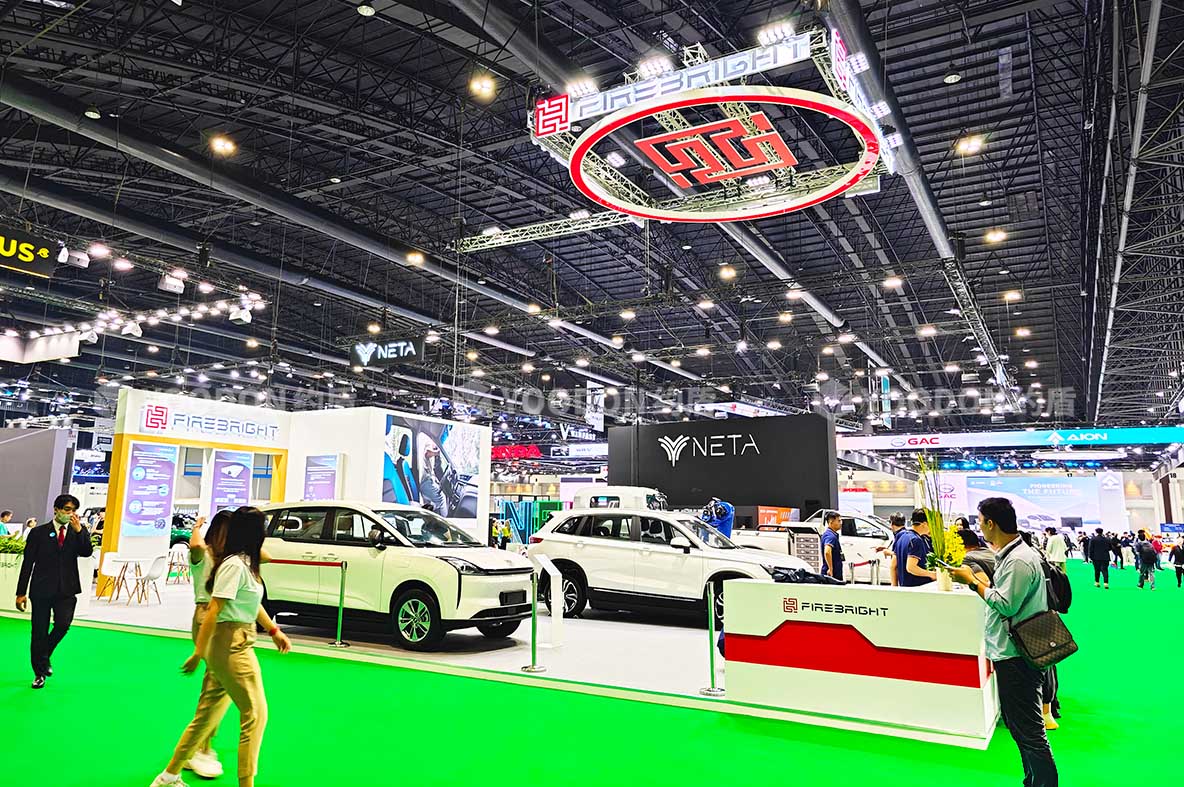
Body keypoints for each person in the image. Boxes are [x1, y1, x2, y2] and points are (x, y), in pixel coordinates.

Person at [153, 507, 291, 787]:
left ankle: (168, 776)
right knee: (255, 714)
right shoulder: (231, 565)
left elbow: (250, 603)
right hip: (231, 644)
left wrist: (274, 630)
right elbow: (214, 610)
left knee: (208, 713)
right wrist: (198, 652)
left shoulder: (245, 563)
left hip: (239, 638)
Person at [951, 497, 1058, 787]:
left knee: (1030, 731)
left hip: (1017, 655)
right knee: (1021, 727)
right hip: (1012, 652)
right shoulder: (1012, 555)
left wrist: (972, 581)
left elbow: (1006, 604)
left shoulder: (1019, 560)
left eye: (980, 521)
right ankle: (1032, 780)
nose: (979, 527)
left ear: (990, 523)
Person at [14, 494, 92, 689]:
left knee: (63, 625)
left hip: (67, 589)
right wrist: (21, 592)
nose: (70, 514)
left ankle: (43, 656)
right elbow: (28, 563)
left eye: (74, 510)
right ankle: (39, 673)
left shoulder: (77, 531)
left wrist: (80, 531)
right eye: (67, 509)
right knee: (39, 631)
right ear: (56, 510)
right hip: (41, 590)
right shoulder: (38, 533)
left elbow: (86, 552)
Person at [180, 513, 227, 780]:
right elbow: (196, 544)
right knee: (214, 686)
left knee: (214, 684)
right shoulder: (202, 555)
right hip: (205, 616)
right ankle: (202, 748)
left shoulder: (230, 559)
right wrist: (197, 527)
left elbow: (264, 555)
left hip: (224, 618)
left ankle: (197, 746)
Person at [892, 509, 935, 587]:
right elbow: (911, 567)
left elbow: (893, 565)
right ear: (925, 524)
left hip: (904, 587)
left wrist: (894, 587)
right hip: (916, 587)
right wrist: (932, 574)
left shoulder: (902, 536)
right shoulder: (916, 540)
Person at [877, 513, 906, 586]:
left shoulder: (900, 536)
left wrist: (894, 586)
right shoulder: (905, 534)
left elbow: (895, 559)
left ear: (892, 523)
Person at [820, 511, 844, 582]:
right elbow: (827, 552)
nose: (841, 523)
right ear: (831, 522)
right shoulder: (830, 536)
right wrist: (830, 569)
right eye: (838, 521)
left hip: (833, 571)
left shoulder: (831, 534)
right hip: (832, 574)